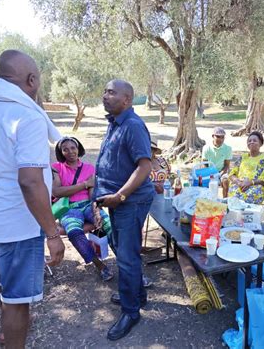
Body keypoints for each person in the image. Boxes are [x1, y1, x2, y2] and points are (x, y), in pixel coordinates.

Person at [0, 50, 65, 347]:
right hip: (17, 227)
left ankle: (7, 331)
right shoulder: (26, 116)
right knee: (17, 302)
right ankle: (13, 335)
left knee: (4, 288)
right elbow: (30, 181)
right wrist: (52, 232)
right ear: (32, 80)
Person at [94, 79, 155, 341]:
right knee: (123, 249)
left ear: (127, 99)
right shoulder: (115, 122)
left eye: (111, 92)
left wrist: (120, 195)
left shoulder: (132, 125)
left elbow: (145, 166)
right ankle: (137, 294)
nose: (105, 95)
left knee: (127, 257)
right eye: (105, 91)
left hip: (130, 201)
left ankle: (132, 312)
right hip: (116, 201)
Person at [52, 136, 113, 281]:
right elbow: (57, 192)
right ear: (61, 152)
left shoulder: (89, 168)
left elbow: (93, 194)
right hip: (69, 208)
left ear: (78, 148)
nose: (70, 152)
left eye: (73, 148)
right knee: (74, 232)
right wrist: (84, 184)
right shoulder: (56, 168)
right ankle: (100, 266)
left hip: (88, 204)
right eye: (65, 149)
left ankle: (126, 263)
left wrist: (96, 211)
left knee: (109, 226)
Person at [228, 131, 264, 204]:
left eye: (255, 141)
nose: (251, 142)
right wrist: (238, 182)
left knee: (247, 197)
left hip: (255, 187)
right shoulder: (243, 157)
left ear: (261, 143)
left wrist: (251, 182)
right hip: (240, 185)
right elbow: (232, 174)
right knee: (234, 198)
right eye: (249, 141)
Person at [202, 127, 232, 197]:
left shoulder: (228, 148)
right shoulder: (206, 148)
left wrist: (220, 174)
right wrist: (209, 174)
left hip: (222, 171)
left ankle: (225, 199)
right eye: (218, 137)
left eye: (222, 137)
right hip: (209, 171)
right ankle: (207, 199)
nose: (220, 139)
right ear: (213, 136)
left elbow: (227, 165)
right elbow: (204, 164)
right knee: (202, 181)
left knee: (225, 180)